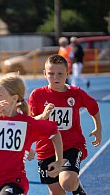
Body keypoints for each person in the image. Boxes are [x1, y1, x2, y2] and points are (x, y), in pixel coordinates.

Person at [0, 73, 64, 195]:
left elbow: (54, 132)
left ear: (14, 98)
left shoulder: (27, 123)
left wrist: (59, 161)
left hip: (15, 181)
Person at [28, 54, 102, 195]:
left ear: (67, 74)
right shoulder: (37, 95)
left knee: (67, 182)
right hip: (46, 149)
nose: (55, 77)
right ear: (44, 74)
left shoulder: (76, 94)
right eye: (51, 73)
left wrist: (98, 128)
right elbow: (30, 122)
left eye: (60, 74)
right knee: (57, 192)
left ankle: (76, 188)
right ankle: (76, 187)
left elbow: (93, 106)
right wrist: (43, 116)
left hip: (71, 145)